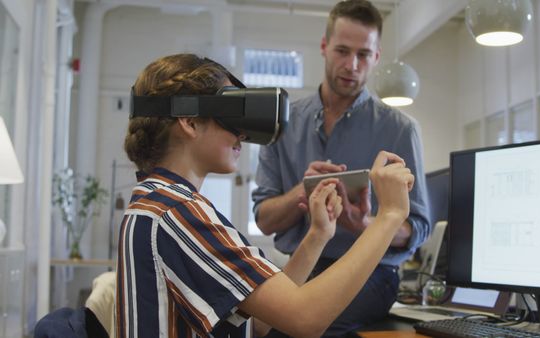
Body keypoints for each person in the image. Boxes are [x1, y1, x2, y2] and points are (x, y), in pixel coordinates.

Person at [116, 53, 416, 338]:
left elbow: (259, 323)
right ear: (190, 121)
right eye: (232, 117)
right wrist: (388, 216)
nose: (242, 135)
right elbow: (306, 319)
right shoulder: (177, 212)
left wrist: (318, 235)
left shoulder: (156, 202)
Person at [252, 0, 430, 335]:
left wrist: (367, 226)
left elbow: (417, 227)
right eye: (342, 51)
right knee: (253, 327)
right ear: (324, 47)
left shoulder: (400, 130)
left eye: (363, 54)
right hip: (299, 266)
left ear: (376, 57)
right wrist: (300, 192)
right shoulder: (284, 124)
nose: (351, 65)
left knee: (291, 329)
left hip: (371, 272)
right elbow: (264, 219)